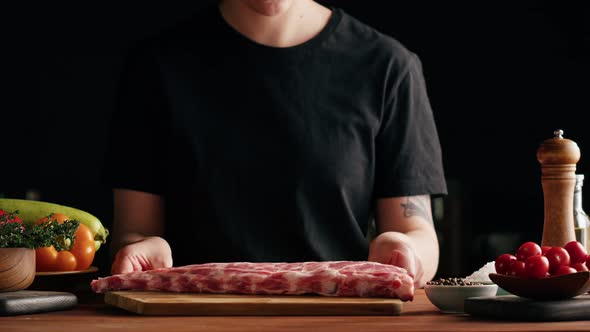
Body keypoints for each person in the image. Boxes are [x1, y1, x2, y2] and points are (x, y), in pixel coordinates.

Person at [103, 0, 447, 288]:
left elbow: (415, 229)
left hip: (339, 319)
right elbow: (134, 230)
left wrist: (406, 249)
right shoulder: (155, 65)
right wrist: (140, 248)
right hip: (192, 318)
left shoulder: (388, 66)